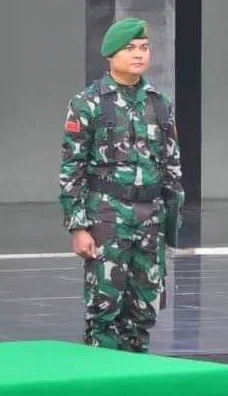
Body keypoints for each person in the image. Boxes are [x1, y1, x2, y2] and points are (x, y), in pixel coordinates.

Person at [58, 18, 184, 353]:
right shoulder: (88, 103)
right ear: (111, 55)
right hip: (107, 219)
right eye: (129, 49)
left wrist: (170, 223)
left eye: (144, 48)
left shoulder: (159, 103)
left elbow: (171, 165)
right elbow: (72, 168)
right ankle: (103, 376)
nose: (138, 55)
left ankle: (136, 374)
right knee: (105, 311)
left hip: (150, 220)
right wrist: (78, 227)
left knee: (143, 311)